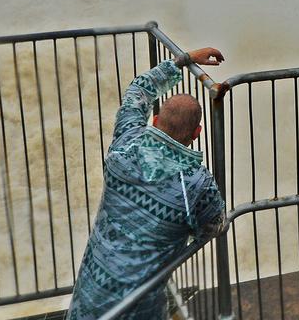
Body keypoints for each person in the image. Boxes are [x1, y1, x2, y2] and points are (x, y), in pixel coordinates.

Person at [67, 47, 228, 320]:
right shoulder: (196, 184)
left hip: (90, 294)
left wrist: (184, 59)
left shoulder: (125, 143)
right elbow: (215, 226)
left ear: (154, 121)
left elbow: (138, 91)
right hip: (140, 307)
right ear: (197, 133)